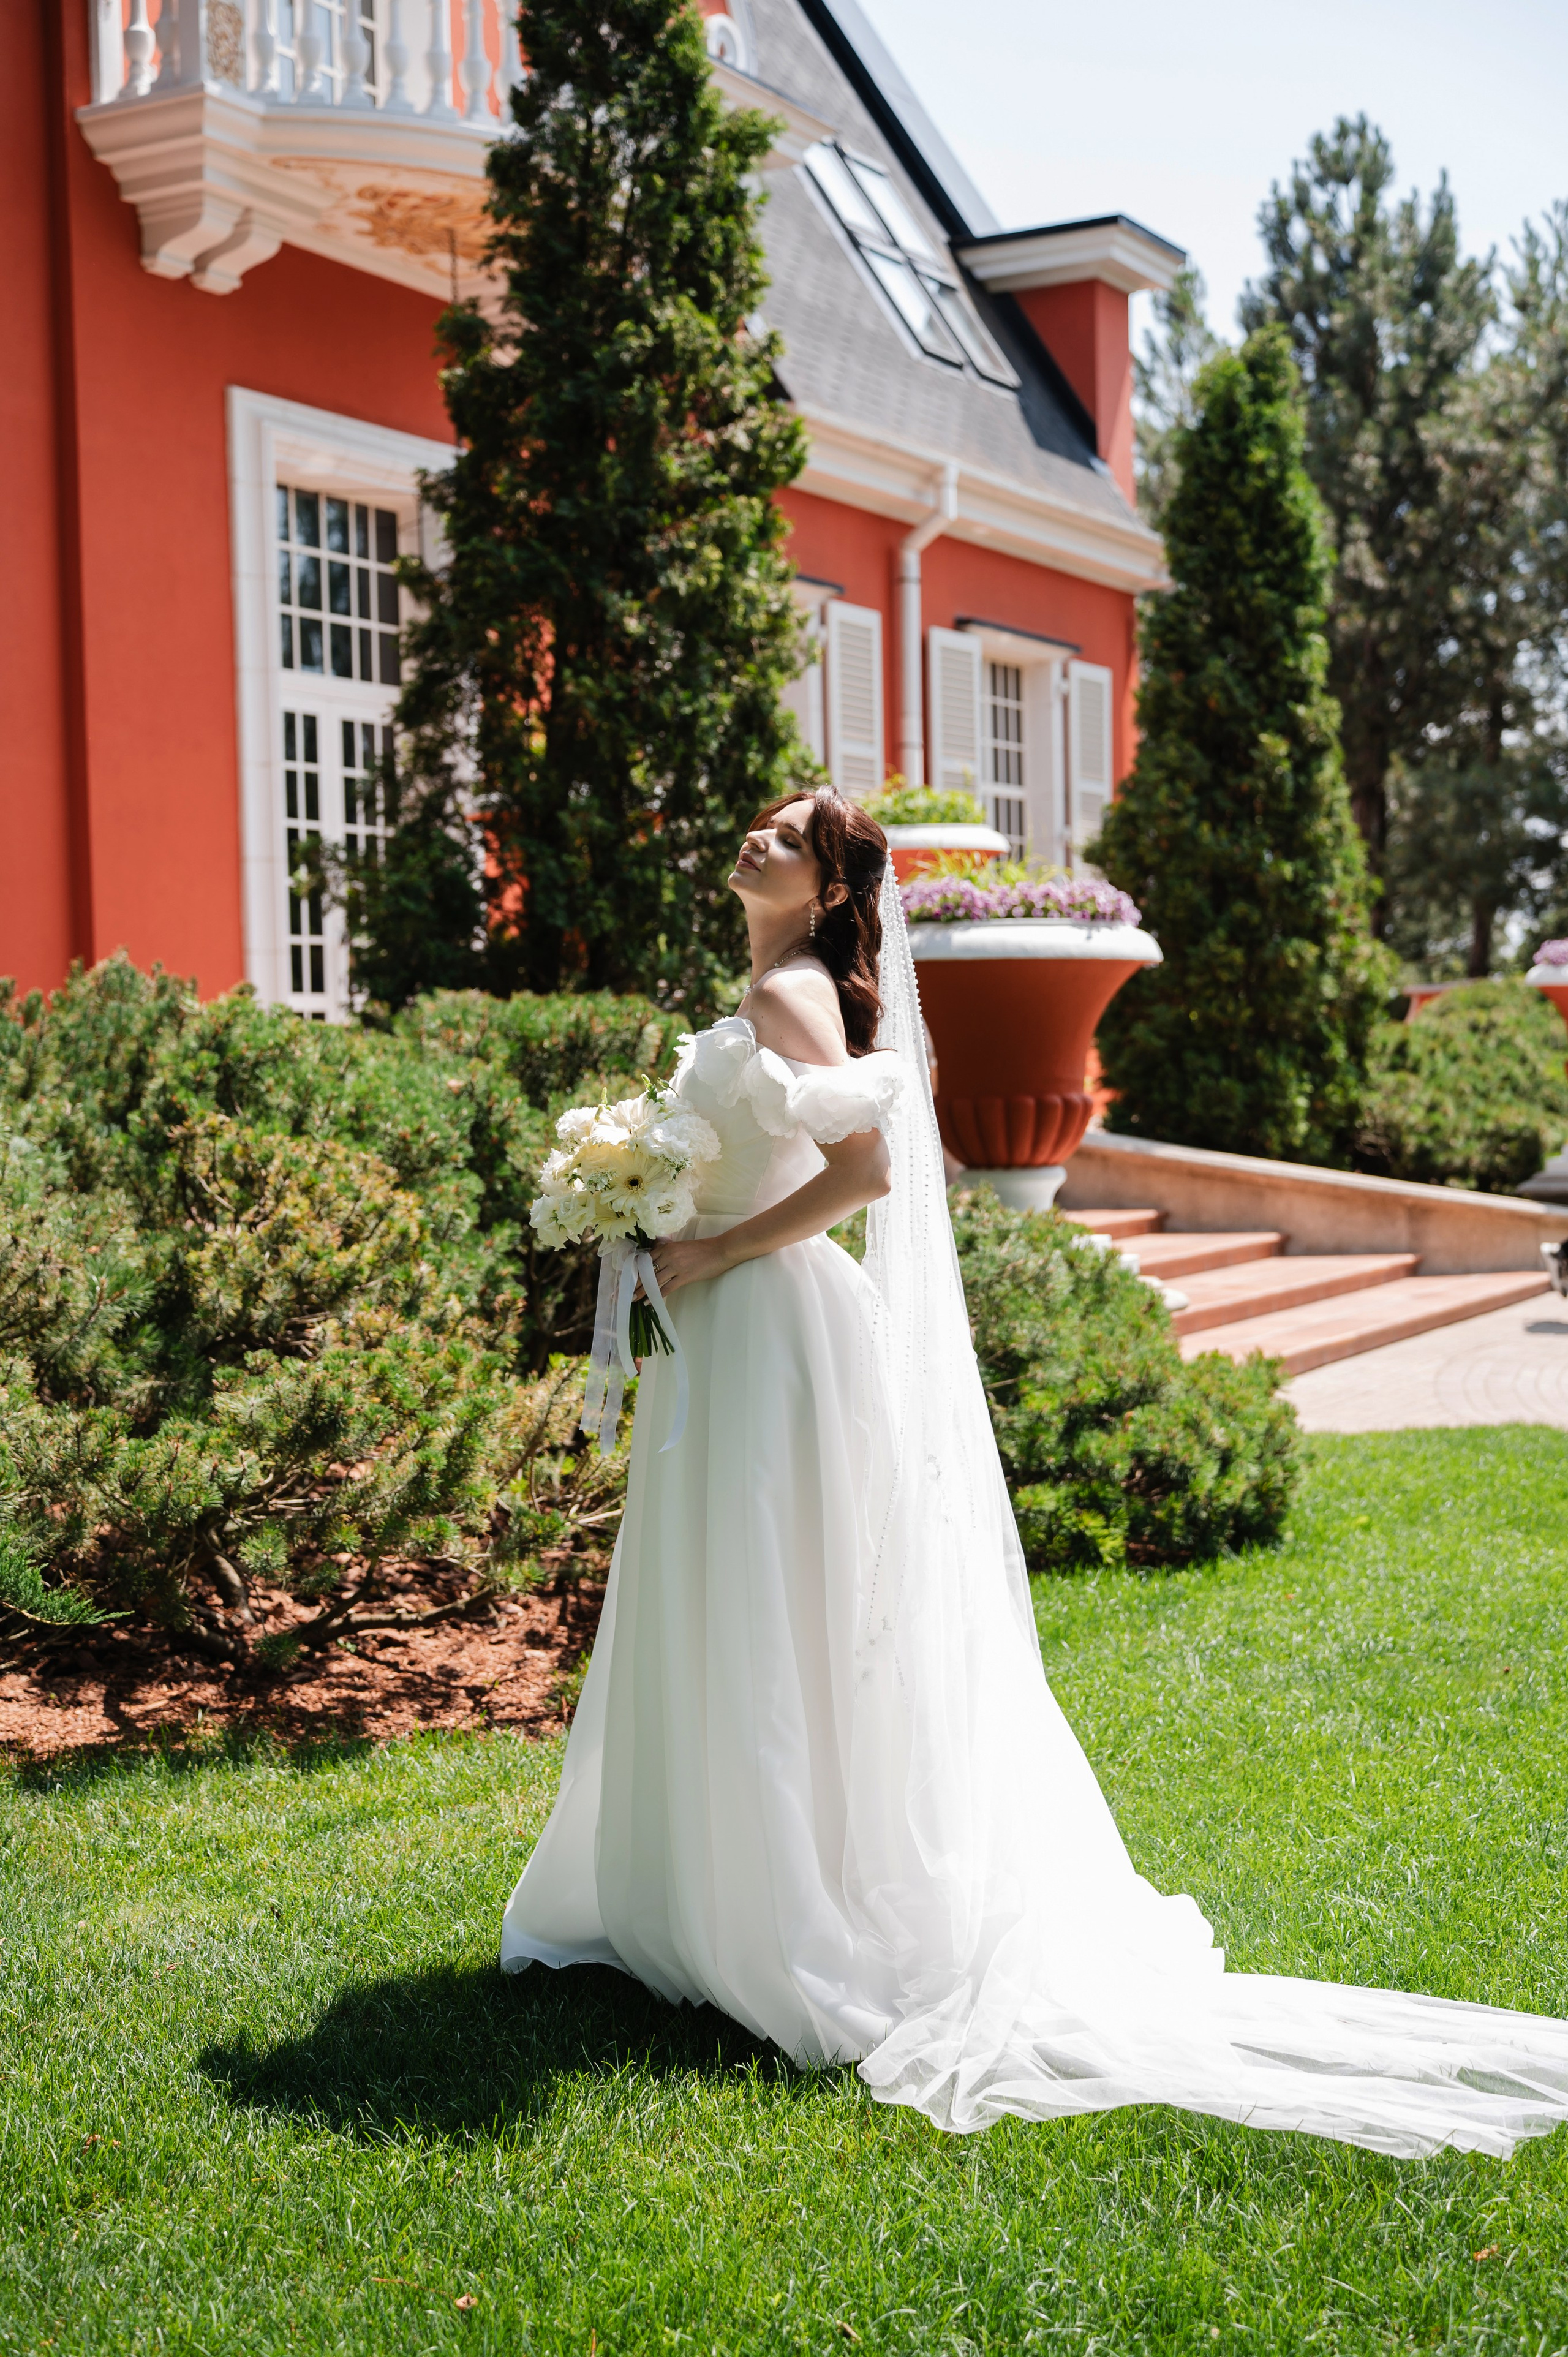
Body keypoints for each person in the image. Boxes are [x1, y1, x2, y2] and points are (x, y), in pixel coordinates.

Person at [503, 786, 1568, 2157]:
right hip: (742, 1328)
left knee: (765, 1604)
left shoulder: (787, 998)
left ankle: (777, 1912)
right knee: (749, 1596)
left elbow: (866, 1173)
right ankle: (719, 1890)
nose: (759, 836)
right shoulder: (775, 987)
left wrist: (706, 1246)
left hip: (762, 1325)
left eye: (792, 836)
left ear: (831, 892)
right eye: (763, 823)